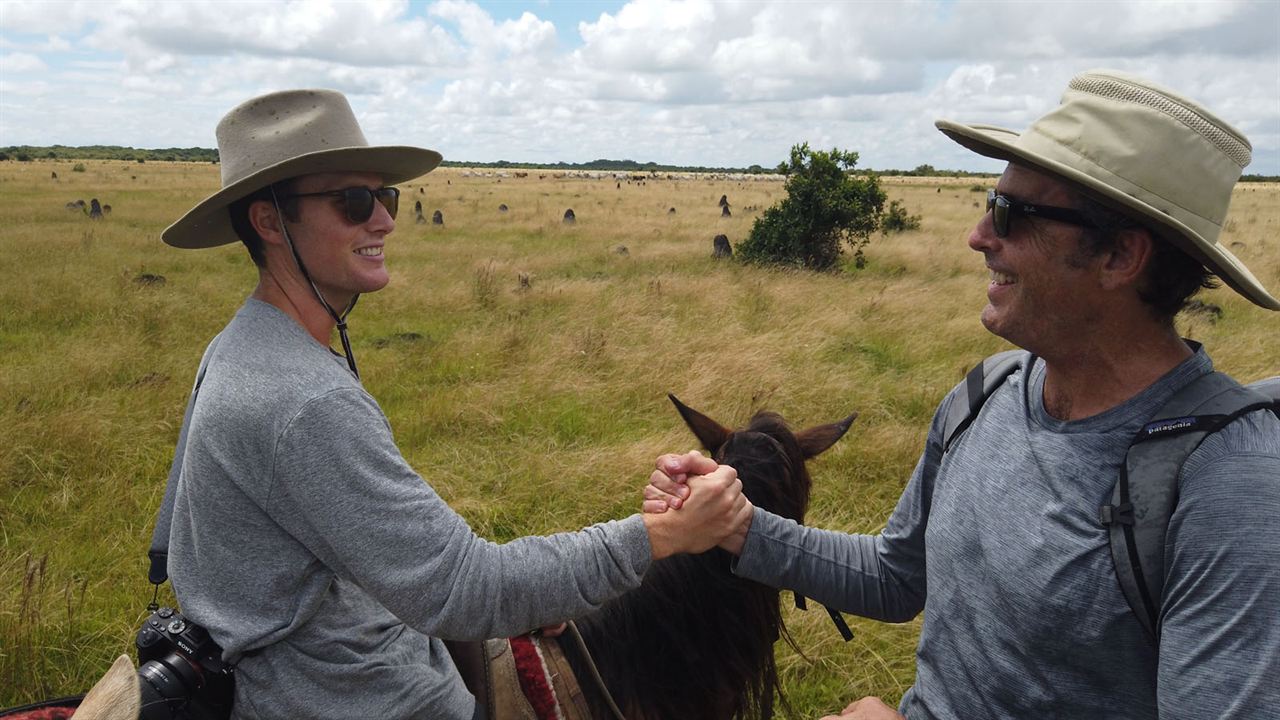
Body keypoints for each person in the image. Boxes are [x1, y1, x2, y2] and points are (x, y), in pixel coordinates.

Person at [647, 69, 1280, 719]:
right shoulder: (986, 397)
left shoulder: (1229, 486)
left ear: (1120, 256)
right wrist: (736, 525)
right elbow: (898, 576)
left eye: (1012, 213)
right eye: (988, 200)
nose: (979, 236)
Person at [159, 88, 750, 720]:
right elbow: (465, 586)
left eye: (385, 198)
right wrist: (664, 533)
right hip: (350, 696)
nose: (384, 221)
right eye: (354, 202)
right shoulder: (304, 401)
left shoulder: (242, 344)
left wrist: (535, 598)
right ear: (271, 222)